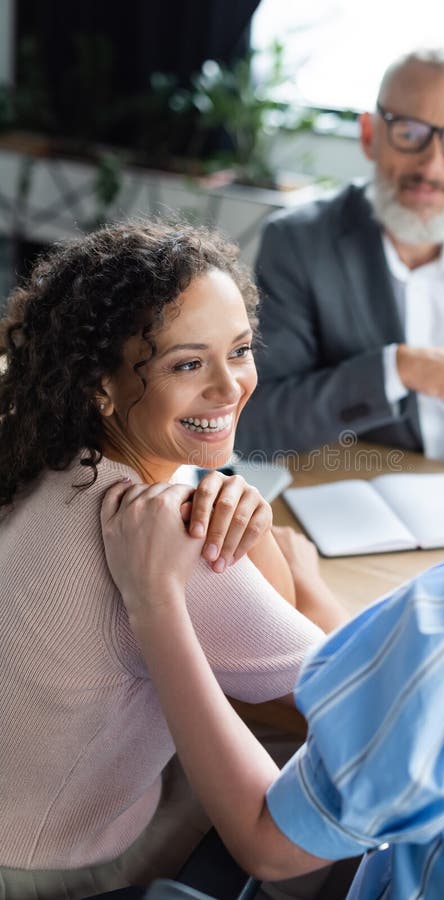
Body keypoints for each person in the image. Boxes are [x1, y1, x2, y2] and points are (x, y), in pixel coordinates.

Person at [101, 253, 444, 897]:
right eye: (190, 361)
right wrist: (305, 589)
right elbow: (400, 694)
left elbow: (270, 844)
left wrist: (156, 602)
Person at [0, 221, 346, 899]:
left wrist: (245, 520)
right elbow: (356, 696)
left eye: (239, 351)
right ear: (100, 385)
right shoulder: (165, 538)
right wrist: (304, 577)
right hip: (55, 869)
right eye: (188, 364)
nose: (229, 388)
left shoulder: (43, 458)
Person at [235, 45, 444, 469]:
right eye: (410, 133)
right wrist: (396, 369)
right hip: (357, 494)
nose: (431, 166)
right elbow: (256, 423)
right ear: (370, 135)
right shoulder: (299, 242)